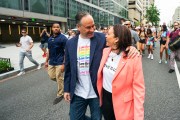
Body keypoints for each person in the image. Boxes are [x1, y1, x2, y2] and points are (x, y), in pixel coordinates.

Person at [64, 11, 139, 120]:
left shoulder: (101, 38)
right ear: (78, 27)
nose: (92, 29)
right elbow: (68, 68)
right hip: (78, 91)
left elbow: (117, 43)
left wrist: (130, 47)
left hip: (96, 92)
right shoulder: (70, 43)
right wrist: (66, 89)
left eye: (93, 26)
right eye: (88, 27)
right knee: (74, 118)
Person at [97, 24, 145, 120]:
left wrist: (139, 116)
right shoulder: (105, 51)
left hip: (123, 104)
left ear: (116, 39)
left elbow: (139, 89)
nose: (105, 35)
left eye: (109, 34)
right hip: (106, 99)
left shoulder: (133, 57)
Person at [45, 23, 68, 105]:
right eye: (54, 27)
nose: (56, 28)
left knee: (58, 76)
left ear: (60, 28)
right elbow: (49, 51)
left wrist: (64, 63)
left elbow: (66, 52)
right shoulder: (50, 39)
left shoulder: (63, 38)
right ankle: (63, 82)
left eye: (57, 27)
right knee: (51, 76)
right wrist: (46, 61)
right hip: (51, 61)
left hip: (60, 61)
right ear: (52, 28)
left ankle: (60, 94)